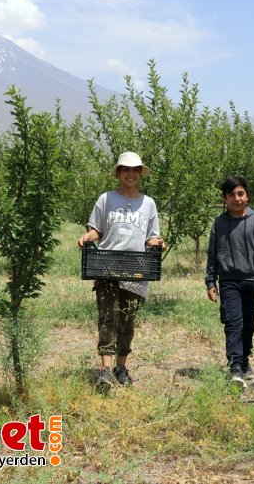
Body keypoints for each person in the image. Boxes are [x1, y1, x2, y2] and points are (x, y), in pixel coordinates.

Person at [77, 152, 165, 388]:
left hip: (136, 270)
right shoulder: (106, 199)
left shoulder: (148, 203)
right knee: (107, 317)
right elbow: (97, 230)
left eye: (135, 169)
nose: (131, 174)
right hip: (107, 267)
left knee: (127, 321)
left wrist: (156, 242)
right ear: (118, 173)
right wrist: (88, 236)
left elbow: (151, 237)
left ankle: (121, 366)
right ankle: (105, 369)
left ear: (140, 174)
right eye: (126, 169)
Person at [205, 176, 254, 389]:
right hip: (228, 281)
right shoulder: (219, 223)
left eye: (240, 194)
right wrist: (210, 281)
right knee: (233, 322)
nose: (237, 198)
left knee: (249, 322)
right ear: (225, 198)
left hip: (251, 280)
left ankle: (244, 359)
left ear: (247, 195)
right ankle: (235, 365)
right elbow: (213, 253)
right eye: (232, 195)